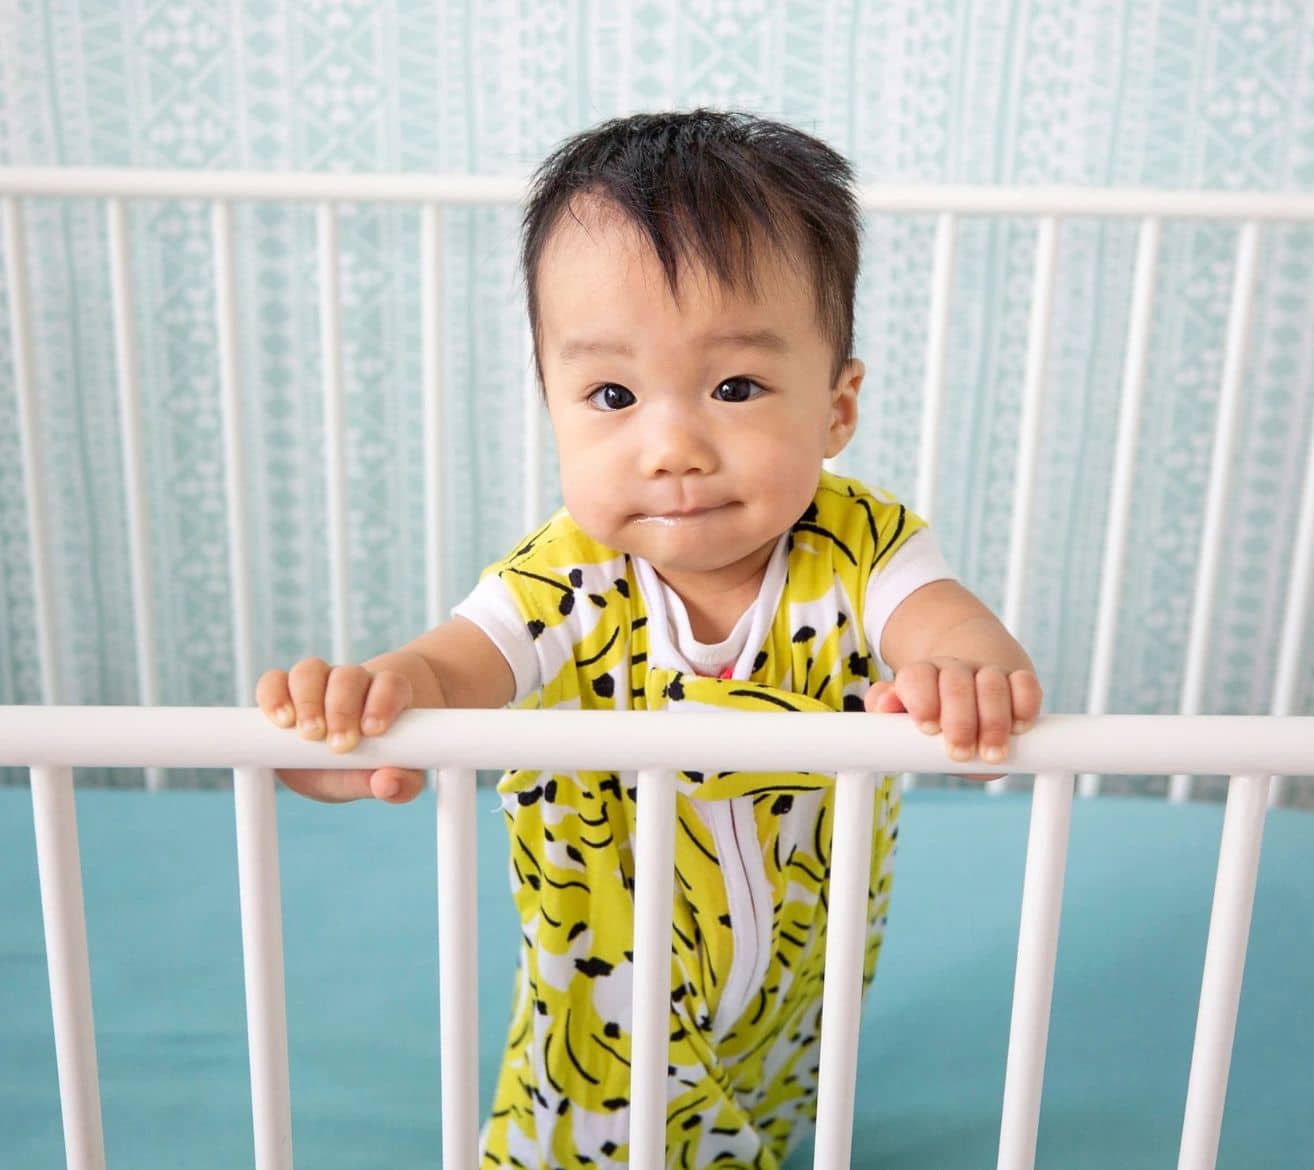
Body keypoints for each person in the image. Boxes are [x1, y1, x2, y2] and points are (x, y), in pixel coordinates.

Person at [257, 109, 1042, 1169]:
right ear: (553, 404)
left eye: (735, 388)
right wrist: (364, 706)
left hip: (803, 967)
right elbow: (450, 668)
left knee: (761, 1123)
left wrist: (964, 669)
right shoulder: (562, 578)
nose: (673, 446)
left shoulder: (862, 546)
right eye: (613, 394)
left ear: (837, 407)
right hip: (605, 988)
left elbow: (941, 621)